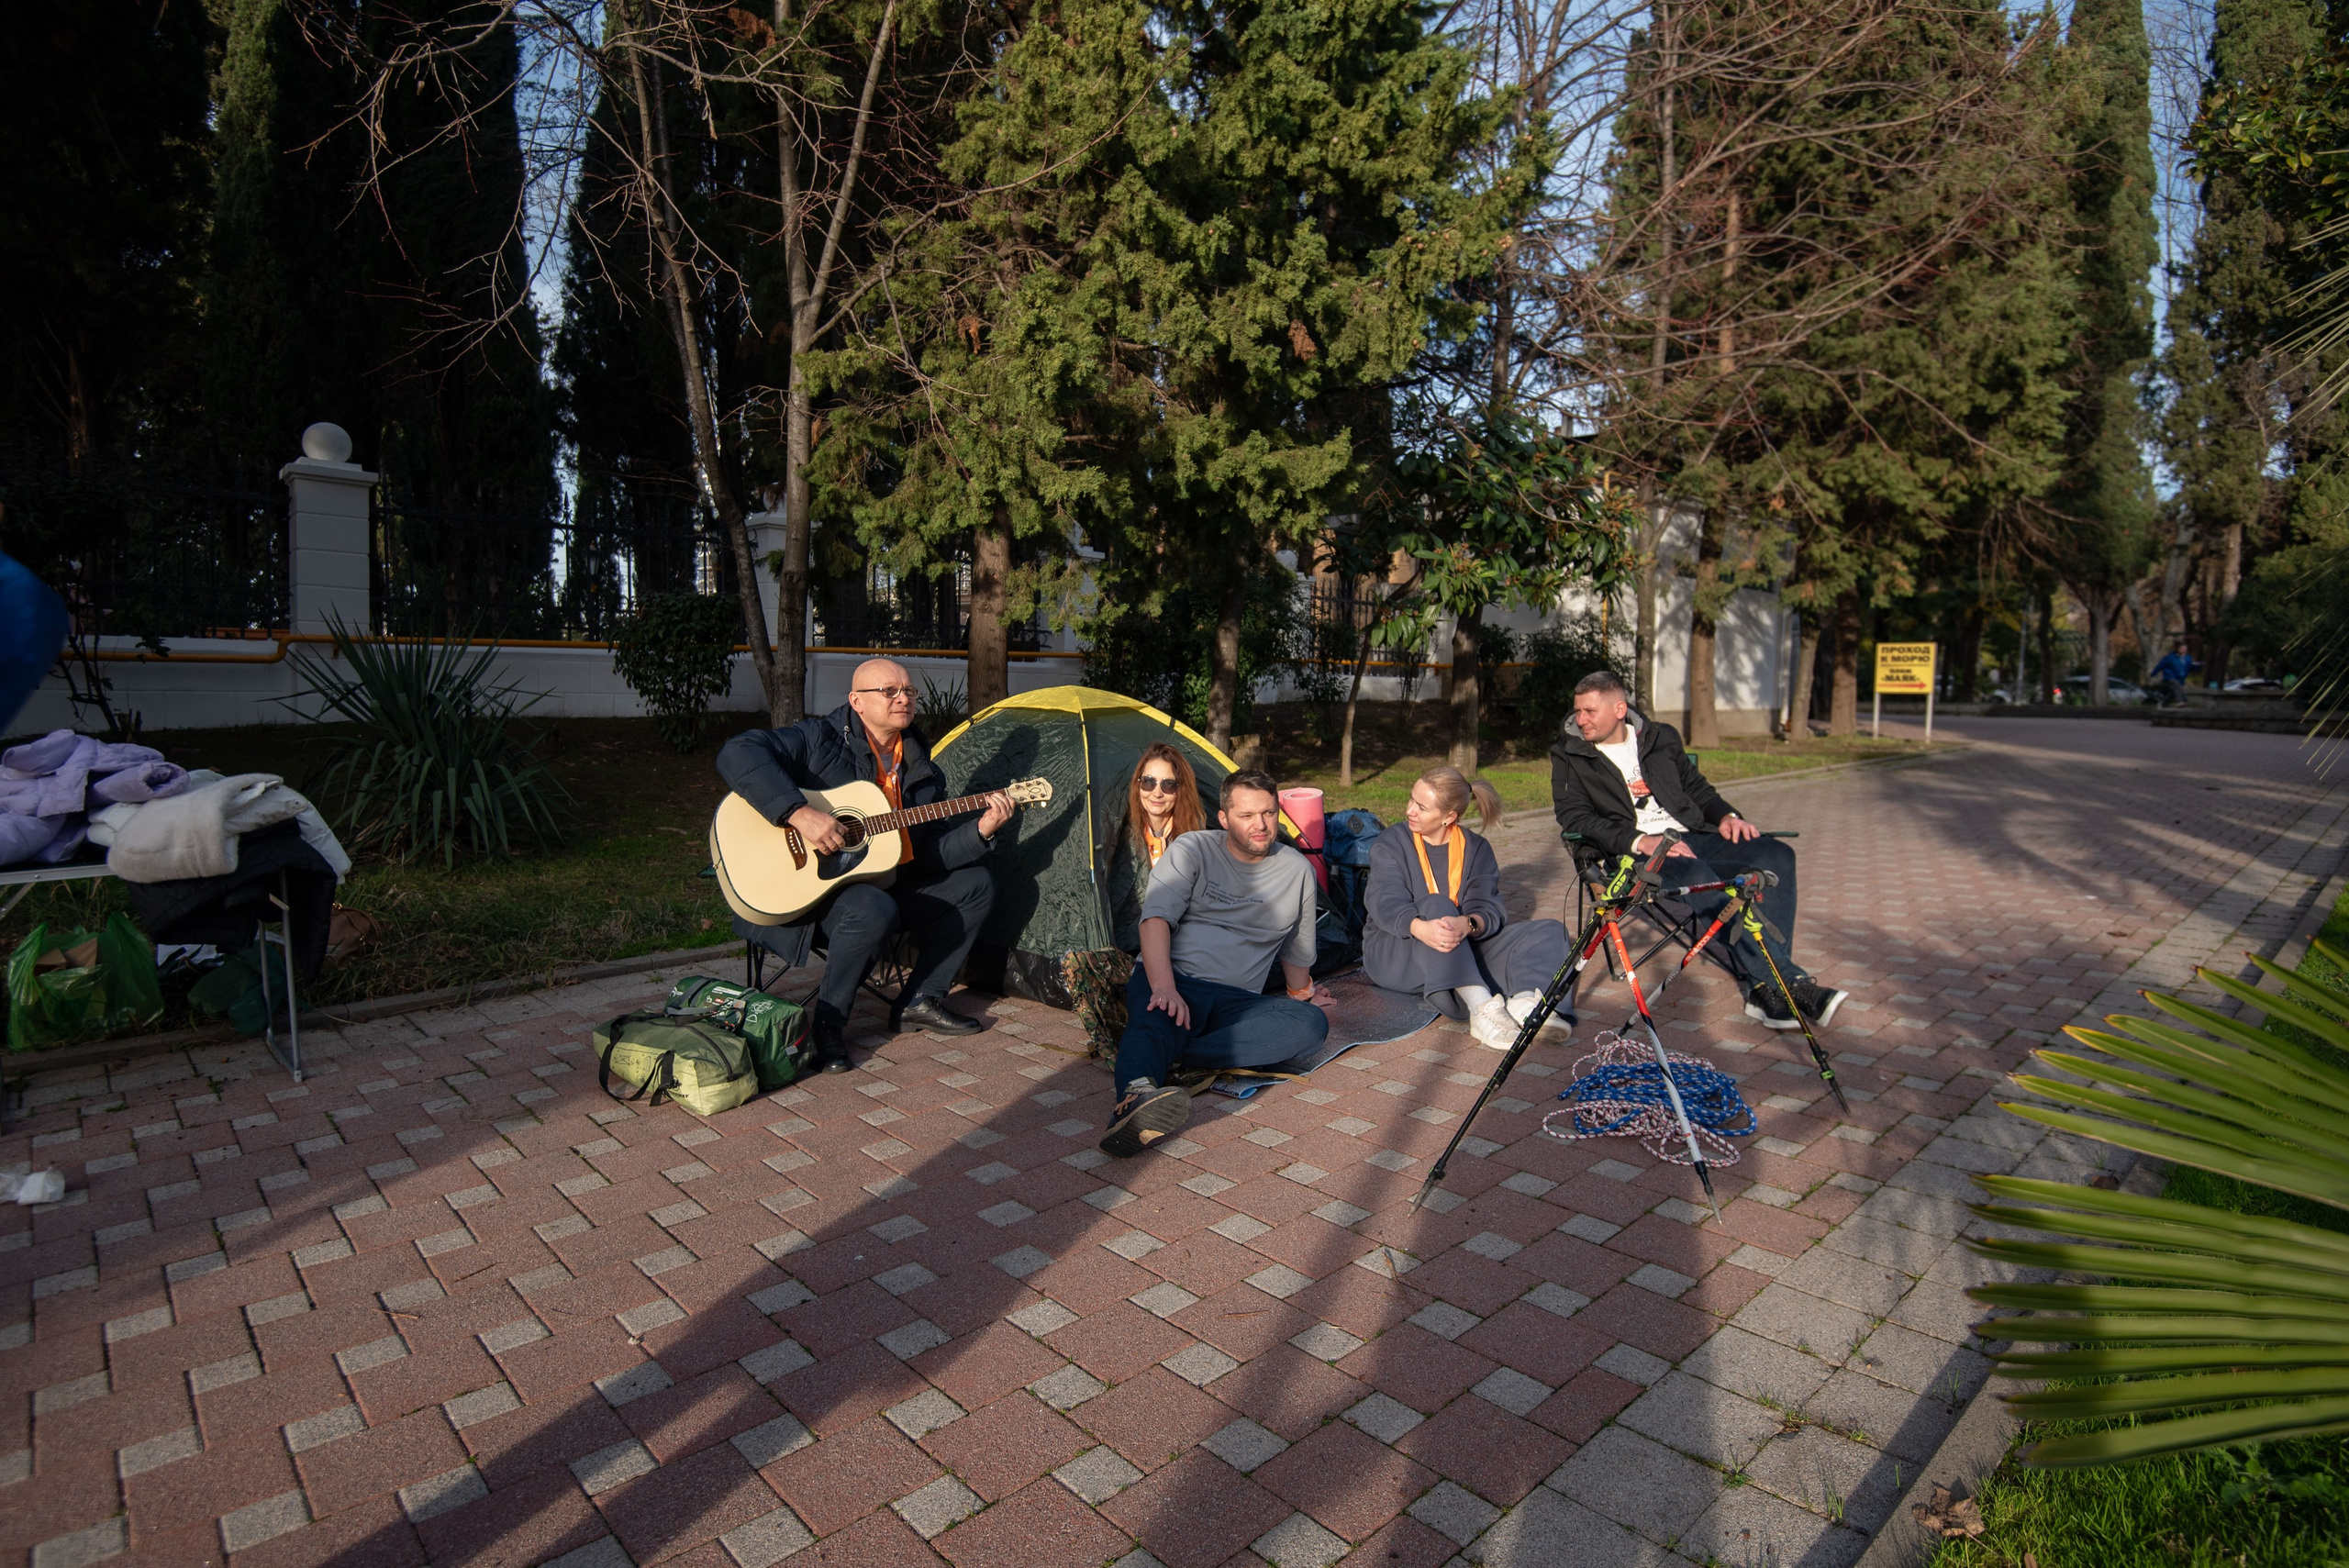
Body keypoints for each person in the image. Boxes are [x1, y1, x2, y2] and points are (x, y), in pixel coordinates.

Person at [717, 657, 1015, 1072]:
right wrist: (799, 813)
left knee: (976, 884)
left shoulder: (922, 769)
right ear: (856, 701)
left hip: (883, 887)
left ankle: (920, 1000)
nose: (903, 698)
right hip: (808, 896)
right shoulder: (820, 739)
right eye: (889, 691)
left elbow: (927, 855)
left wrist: (980, 831)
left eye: (909, 691)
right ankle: (827, 1027)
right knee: (874, 907)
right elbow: (738, 752)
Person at [1550, 670, 1846, 1031]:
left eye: (1590, 711)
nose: (1581, 720)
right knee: (1697, 875)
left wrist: (1727, 816)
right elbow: (1574, 817)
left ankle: (1763, 989)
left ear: (1619, 709)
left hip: (1690, 834)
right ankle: (1788, 981)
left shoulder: (1660, 737)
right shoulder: (1570, 753)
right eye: (1578, 711)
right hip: (1634, 851)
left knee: (1778, 855)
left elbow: (1696, 788)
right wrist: (1640, 840)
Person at [1102, 770, 1331, 1157]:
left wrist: (1303, 994)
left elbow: (1296, 949)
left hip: (1236, 1004)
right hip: (1177, 981)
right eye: (1247, 815)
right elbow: (1155, 920)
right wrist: (1164, 987)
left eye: (1269, 813)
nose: (1261, 825)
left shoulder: (1297, 871)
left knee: (1310, 1025)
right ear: (1224, 818)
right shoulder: (1193, 849)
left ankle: (1174, 1053)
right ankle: (1133, 1102)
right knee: (1156, 1014)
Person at [1362, 767, 1573, 1050]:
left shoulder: (1476, 848)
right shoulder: (1391, 841)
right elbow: (1385, 901)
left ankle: (1527, 1004)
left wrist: (1469, 924)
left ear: (1449, 817)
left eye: (1422, 807)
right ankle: (1482, 1009)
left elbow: (1487, 908)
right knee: (1437, 903)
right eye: (1412, 799)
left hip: (1458, 946)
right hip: (1396, 952)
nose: (1409, 810)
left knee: (1550, 931)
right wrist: (1421, 928)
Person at [1067, 742, 1208, 1057]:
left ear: (1181, 790)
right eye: (1148, 782)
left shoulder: (1195, 835)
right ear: (1137, 784)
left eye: (1168, 784)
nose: (1157, 792)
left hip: (1181, 942)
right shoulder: (1119, 829)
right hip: (1130, 943)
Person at [2149, 642, 2197, 707]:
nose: (2183, 650)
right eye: (2181, 649)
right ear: (2177, 649)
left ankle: (2163, 704)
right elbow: (2160, 665)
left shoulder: (2187, 658)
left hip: (2180, 677)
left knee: (2173, 692)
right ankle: (2181, 701)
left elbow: (2189, 667)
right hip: (2169, 676)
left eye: (2185, 649)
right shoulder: (2170, 657)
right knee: (2177, 686)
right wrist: (2153, 673)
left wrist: (2196, 667)